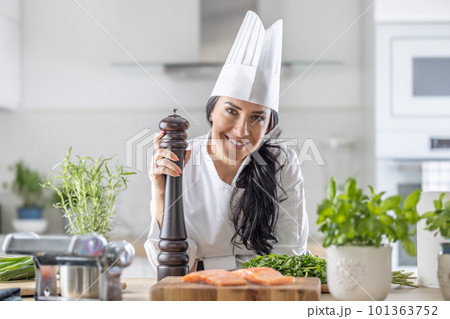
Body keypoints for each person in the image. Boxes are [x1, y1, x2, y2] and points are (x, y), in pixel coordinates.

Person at [145, 11, 308, 275]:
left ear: (268, 125)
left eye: (257, 117)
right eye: (231, 111)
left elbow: (289, 259)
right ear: (212, 111)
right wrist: (161, 192)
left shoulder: (282, 163)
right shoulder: (179, 160)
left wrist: (205, 265)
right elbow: (173, 267)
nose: (242, 130)